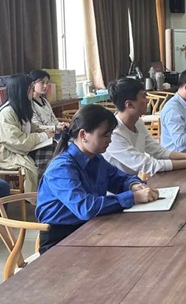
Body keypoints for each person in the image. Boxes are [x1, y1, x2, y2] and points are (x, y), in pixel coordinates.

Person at [36, 104, 160, 253]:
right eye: (105, 135)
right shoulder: (61, 168)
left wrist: (133, 185)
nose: (110, 141)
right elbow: (86, 208)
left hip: (91, 227)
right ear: (83, 135)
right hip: (61, 239)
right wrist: (133, 197)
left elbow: (119, 178)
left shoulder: (96, 159)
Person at [104, 78, 186, 176]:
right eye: (143, 96)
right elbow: (149, 166)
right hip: (118, 191)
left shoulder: (137, 122)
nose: (147, 100)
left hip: (132, 183)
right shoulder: (113, 134)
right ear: (129, 104)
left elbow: (158, 152)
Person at [0, 74, 54, 192]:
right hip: (8, 153)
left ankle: (48, 190)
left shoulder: (20, 108)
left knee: (55, 150)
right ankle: (36, 196)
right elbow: (18, 141)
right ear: (21, 91)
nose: (33, 91)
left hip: (21, 148)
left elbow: (32, 127)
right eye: (31, 88)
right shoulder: (6, 113)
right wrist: (43, 135)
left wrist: (48, 130)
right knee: (41, 163)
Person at [29, 69, 69, 176]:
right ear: (32, 83)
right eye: (42, 82)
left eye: (47, 83)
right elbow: (37, 127)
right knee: (60, 155)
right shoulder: (29, 103)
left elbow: (53, 119)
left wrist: (60, 125)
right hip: (41, 141)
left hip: (53, 136)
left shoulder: (45, 101)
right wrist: (55, 128)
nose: (45, 86)